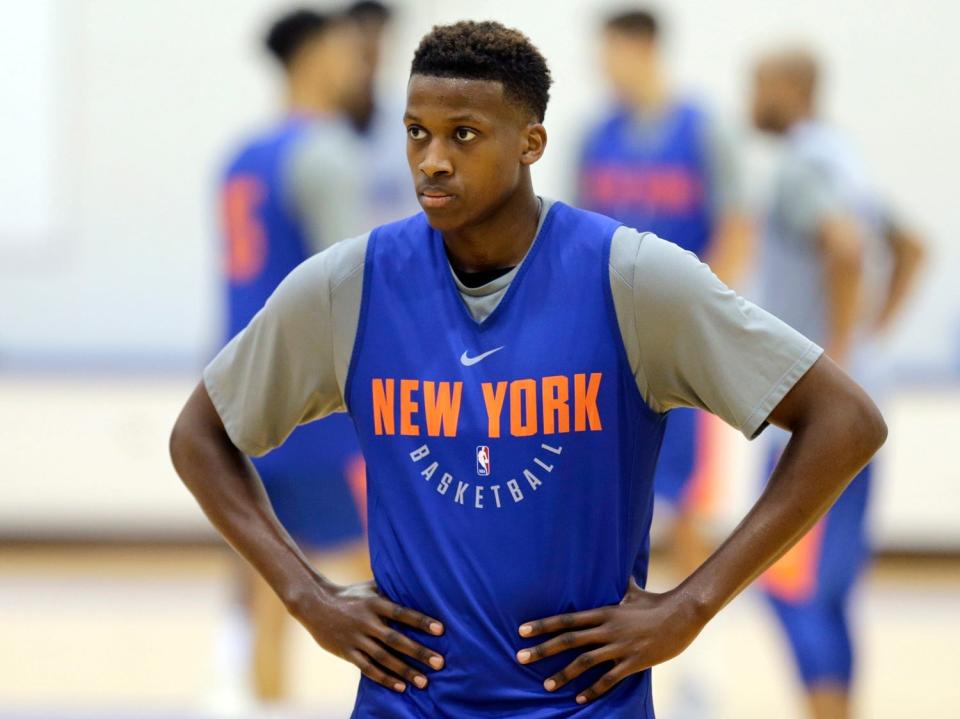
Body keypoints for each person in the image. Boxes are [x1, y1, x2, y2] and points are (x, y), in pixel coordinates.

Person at [172, 21, 887, 718]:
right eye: (416, 132)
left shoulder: (631, 277)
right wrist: (310, 598)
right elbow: (199, 435)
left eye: (464, 134)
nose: (432, 160)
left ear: (531, 143)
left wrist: (688, 606)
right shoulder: (350, 283)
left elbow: (845, 420)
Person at [751, 49, 925, 719]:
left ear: (789, 88)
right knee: (829, 589)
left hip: (817, 413)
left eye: (758, 84)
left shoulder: (800, 165)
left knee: (788, 583)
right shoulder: (846, 158)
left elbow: (847, 247)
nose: (751, 98)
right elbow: (912, 247)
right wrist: (870, 341)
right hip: (861, 404)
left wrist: (841, 352)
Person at [216, 7, 369, 705]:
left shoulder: (241, 158)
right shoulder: (327, 151)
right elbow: (357, 287)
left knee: (271, 589)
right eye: (343, 52)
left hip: (247, 399)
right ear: (312, 58)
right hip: (320, 413)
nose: (355, 65)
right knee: (408, 579)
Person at [578, 8, 752, 585]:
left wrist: (709, 311)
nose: (603, 68)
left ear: (643, 48)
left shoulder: (702, 128)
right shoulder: (595, 136)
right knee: (608, 481)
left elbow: (737, 226)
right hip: (611, 334)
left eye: (610, 54)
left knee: (689, 490)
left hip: (678, 333)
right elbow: (579, 234)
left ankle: (695, 642)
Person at [345, 0, 421, 226]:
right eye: (361, 42)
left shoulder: (408, 117)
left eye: (377, 39)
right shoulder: (318, 127)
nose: (370, 50)